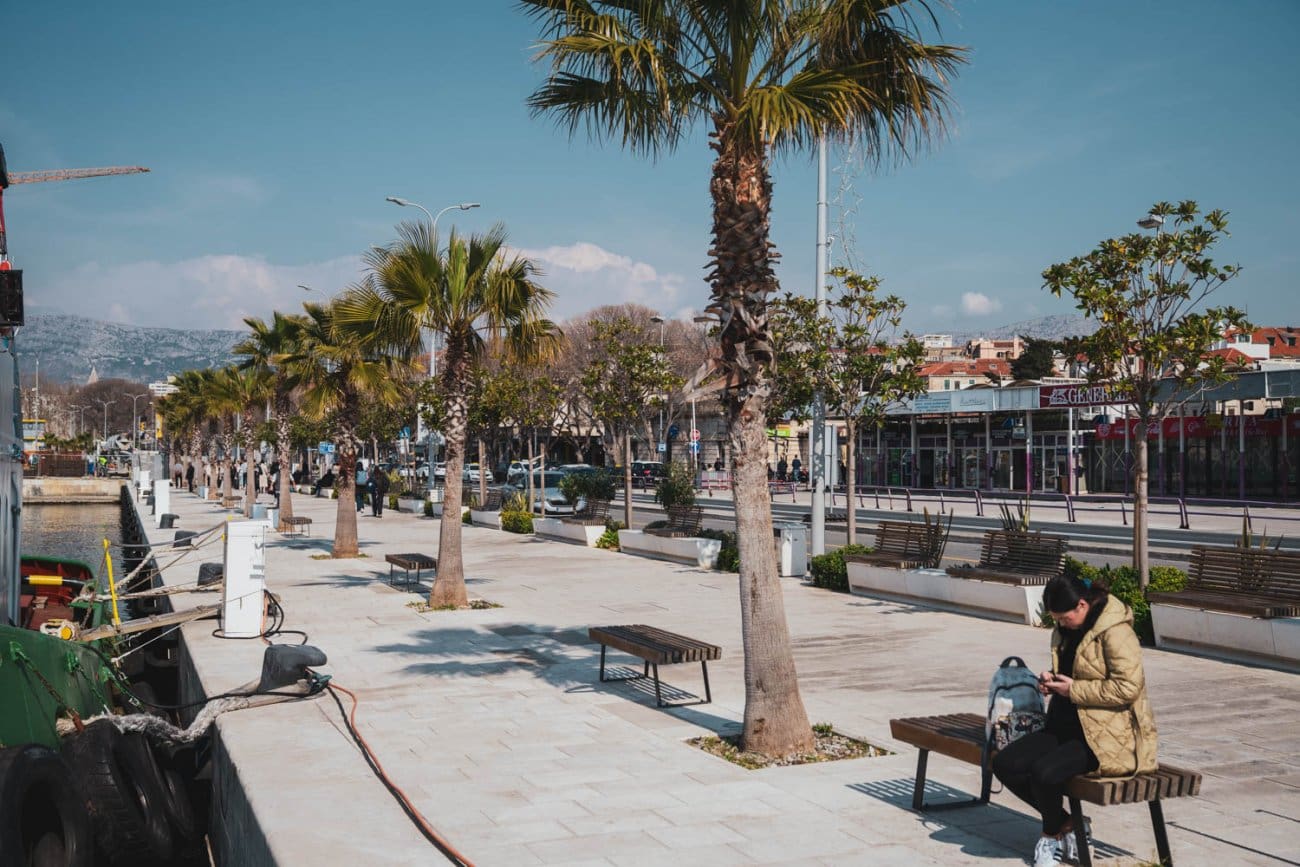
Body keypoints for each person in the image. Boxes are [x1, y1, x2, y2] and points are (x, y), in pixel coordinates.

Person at [991, 574, 1158, 867]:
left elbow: (1128, 688)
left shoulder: (1116, 632)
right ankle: (1069, 824)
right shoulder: (1064, 631)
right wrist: (1052, 681)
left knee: (1044, 773)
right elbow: (1075, 673)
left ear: (1082, 605)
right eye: (1056, 619)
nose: (1061, 623)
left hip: (1107, 737)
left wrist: (1073, 690)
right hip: (1064, 725)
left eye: (1064, 617)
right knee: (1005, 763)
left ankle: (1049, 836)